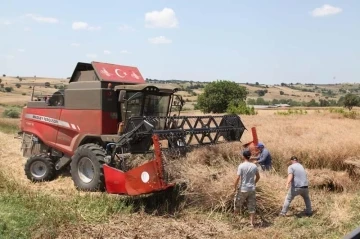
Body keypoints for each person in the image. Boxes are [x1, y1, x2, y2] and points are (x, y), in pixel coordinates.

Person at [234, 150, 260, 226]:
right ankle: (252, 223)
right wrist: (254, 183)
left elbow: (238, 178)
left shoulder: (241, 166)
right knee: (252, 206)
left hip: (243, 189)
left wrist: (234, 187)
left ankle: (235, 220)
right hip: (251, 189)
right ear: (250, 156)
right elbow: (258, 177)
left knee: (238, 204)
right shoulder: (254, 166)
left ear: (243, 156)